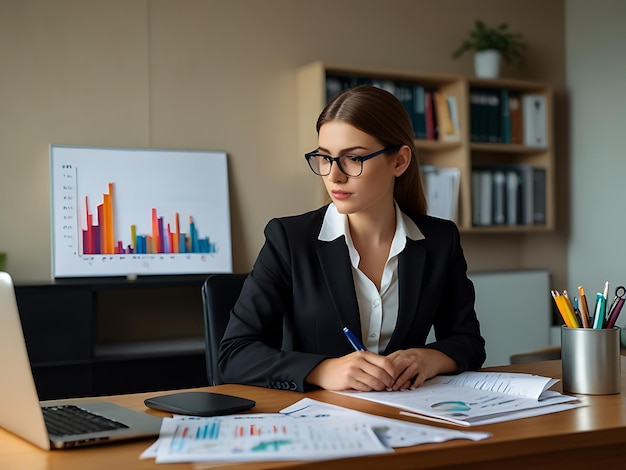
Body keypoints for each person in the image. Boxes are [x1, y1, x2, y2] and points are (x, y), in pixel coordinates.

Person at [219, 85, 486, 393]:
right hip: (317, 420)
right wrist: (322, 370)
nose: (334, 175)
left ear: (399, 162)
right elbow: (233, 354)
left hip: (410, 417)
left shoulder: (440, 240)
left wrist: (428, 359)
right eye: (325, 157)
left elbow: (469, 342)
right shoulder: (289, 240)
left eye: (353, 159)